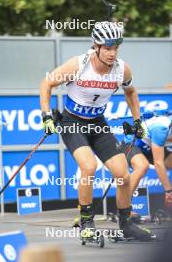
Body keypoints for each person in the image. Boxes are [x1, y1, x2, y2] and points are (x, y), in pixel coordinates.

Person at [40, 21, 154, 240]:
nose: (112, 53)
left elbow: (131, 93)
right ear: (96, 46)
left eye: (116, 47)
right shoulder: (78, 65)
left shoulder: (122, 69)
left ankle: (126, 224)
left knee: (123, 175)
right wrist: (46, 115)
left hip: (98, 123)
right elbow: (46, 84)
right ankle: (86, 222)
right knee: (89, 166)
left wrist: (137, 120)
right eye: (108, 47)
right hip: (72, 121)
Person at [123, 109, 172, 211]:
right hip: (135, 142)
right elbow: (159, 163)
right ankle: (125, 208)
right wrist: (168, 191)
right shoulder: (160, 128)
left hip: (151, 143)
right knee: (142, 167)